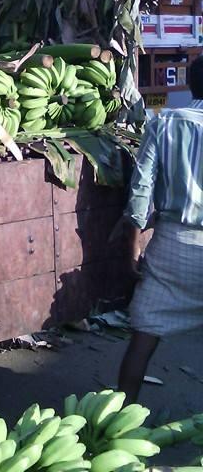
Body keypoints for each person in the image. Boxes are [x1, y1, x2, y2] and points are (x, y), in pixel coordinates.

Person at [115, 54, 203, 402]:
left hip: (172, 246)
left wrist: (133, 245)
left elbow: (140, 190)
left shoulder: (164, 122)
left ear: (191, 85)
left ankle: (118, 422)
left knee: (144, 333)